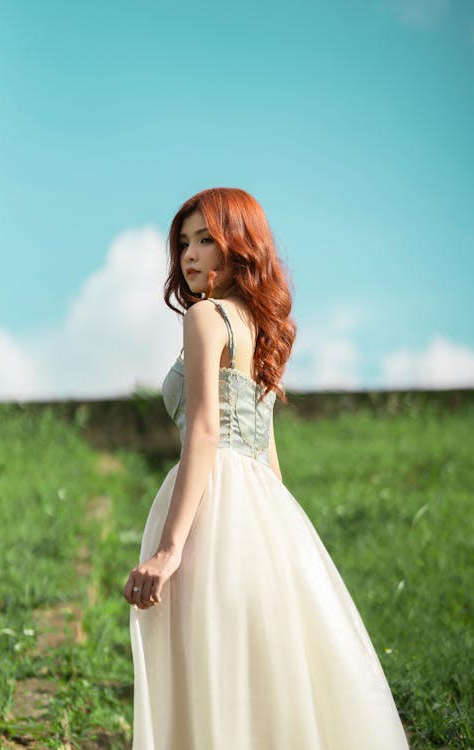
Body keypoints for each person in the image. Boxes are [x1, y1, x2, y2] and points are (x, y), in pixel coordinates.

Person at [124, 187, 410, 749]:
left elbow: (205, 431)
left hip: (210, 504)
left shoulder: (206, 318)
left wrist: (170, 548)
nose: (190, 253)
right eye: (184, 241)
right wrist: (283, 538)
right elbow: (267, 450)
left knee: (213, 662)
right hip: (259, 506)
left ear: (240, 242)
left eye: (207, 239)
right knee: (262, 664)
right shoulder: (259, 326)